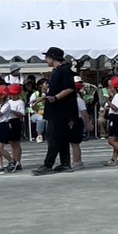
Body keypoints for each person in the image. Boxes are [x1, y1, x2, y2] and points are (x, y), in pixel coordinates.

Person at [34, 46, 76, 175]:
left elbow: (69, 88)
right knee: (62, 138)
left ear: (52, 58)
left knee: (53, 138)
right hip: (57, 110)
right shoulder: (58, 70)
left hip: (60, 111)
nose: (46, 60)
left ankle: (48, 165)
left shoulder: (64, 70)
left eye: (47, 57)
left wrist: (56, 97)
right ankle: (65, 163)